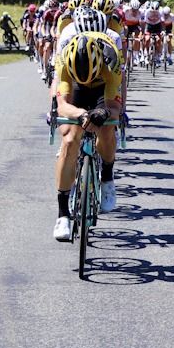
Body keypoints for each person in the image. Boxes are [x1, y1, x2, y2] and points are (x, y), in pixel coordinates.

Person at [52, 33, 123, 241]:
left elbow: (115, 108)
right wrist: (81, 114)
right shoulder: (64, 61)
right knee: (69, 140)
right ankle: (63, 214)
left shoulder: (112, 60)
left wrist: (104, 113)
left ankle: (107, 177)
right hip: (76, 88)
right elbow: (63, 106)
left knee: (108, 128)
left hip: (104, 86)